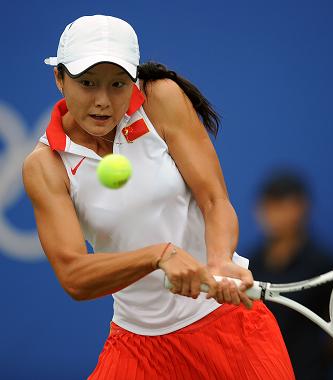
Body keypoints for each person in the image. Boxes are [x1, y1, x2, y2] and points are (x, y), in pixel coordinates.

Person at [23, 15, 294, 380]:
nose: (102, 101)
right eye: (87, 83)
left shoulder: (160, 99)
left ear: (133, 80)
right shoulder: (45, 166)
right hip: (137, 348)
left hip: (227, 328)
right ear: (59, 79)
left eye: (118, 84)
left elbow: (214, 200)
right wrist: (158, 255)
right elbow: (74, 275)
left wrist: (219, 262)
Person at [249, 170, 333, 380]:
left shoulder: (324, 264)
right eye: (269, 206)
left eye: (284, 205)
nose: (274, 214)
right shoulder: (248, 264)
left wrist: (315, 364)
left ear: (302, 207)